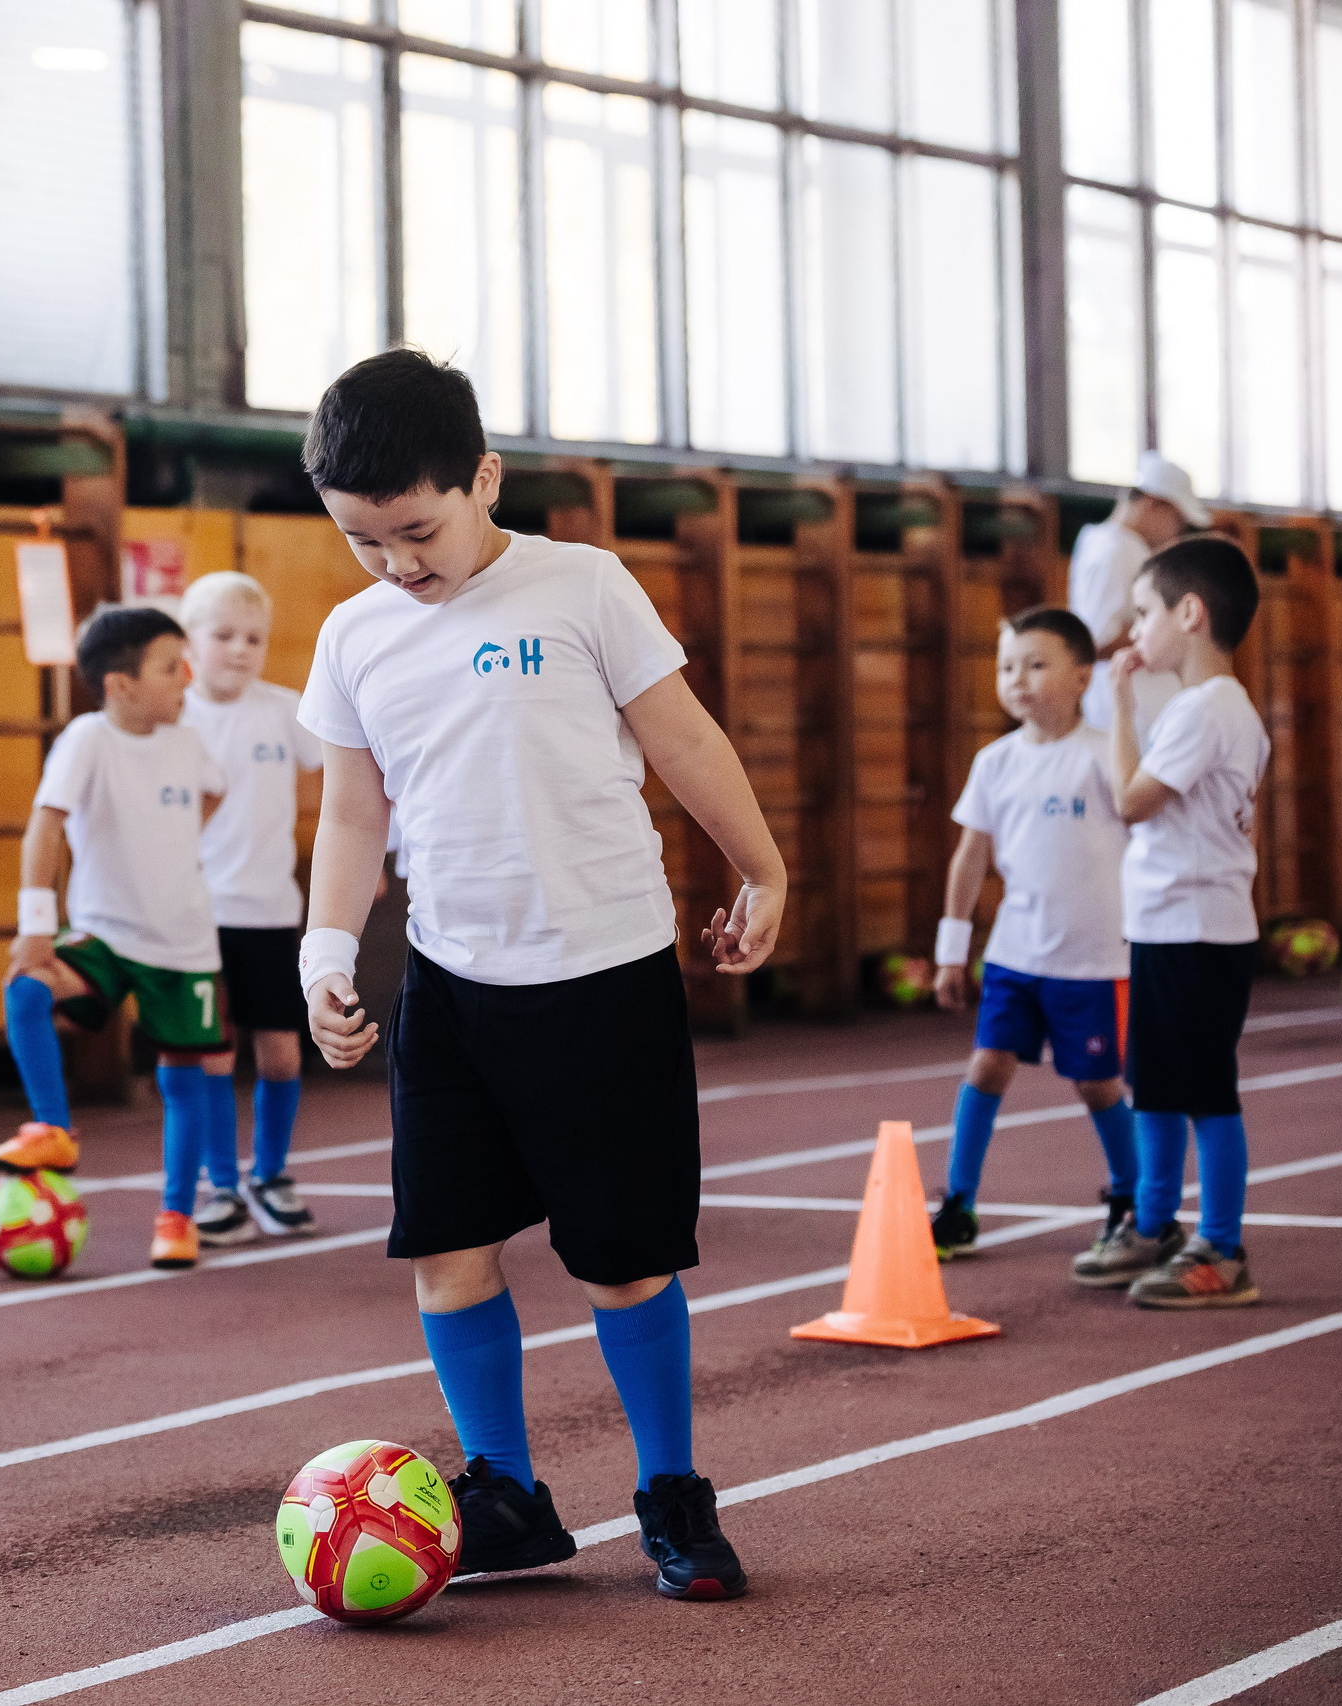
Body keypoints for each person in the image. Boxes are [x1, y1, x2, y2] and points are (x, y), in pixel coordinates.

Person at [294, 349, 786, 1602]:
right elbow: (354, 811)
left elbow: (682, 734)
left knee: (620, 1256)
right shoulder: (354, 634)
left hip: (600, 972)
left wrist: (762, 871)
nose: (397, 564)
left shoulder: (584, 586)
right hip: (450, 985)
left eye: (415, 530)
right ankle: (503, 1491)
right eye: (362, 541)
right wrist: (326, 948)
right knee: (448, 1249)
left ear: (483, 479)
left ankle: (671, 1491)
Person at [0, 605, 230, 1272]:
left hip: (184, 948)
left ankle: (177, 1216)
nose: (187, 679)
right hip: (104, 933)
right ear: (120, 685)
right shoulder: (88, 739)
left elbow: (214, 792)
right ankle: (54, 1128)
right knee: (26, 987)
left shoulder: (188, 743)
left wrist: (171, 849)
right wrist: (37, 925)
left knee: (181, 1083)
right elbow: (45, 824)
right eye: (168, 668)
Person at [1082, 537, 1268, 1308]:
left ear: (1189, 614)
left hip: (1197, 930)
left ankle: (1221, 1249)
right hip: (1171, 924)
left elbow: (1129, 801)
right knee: (1155, 1085)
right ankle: (1154, 1223)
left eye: (1144, 613)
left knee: (1205, 1093)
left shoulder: (1208, 708)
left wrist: (1120, 703)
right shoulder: (1211, 709)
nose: (1133, 633)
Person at [926, 609, 1138, 1272]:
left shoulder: (1107, 755)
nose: (1019, 678)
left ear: (1083, 676)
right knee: (987, 1065)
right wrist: (952, 950)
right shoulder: (995, 762)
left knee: (1098, 1083)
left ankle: (1133, 1201)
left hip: (1095, 960)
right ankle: (959, 1202)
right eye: (1008, 665)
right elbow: (969, 857)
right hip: (1016, 955)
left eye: (1037, 664)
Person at [178, 571, 326, 1244]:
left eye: (254, 639)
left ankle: (271, 1174)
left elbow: (350, 770)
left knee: (281, 1056)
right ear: (189, 641)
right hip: (196, 915)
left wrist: (355, 861)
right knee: (210, 1052)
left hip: (269, 912)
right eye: (224, 636)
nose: (240, 650)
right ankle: (220, 1184)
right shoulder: (174, 718)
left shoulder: (285, 710)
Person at [1065, 451, 1208, 738]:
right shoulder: (1121, 551)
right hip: (1136, 704)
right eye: (1177, 520)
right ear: (1153, 504)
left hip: (1122, 701)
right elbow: (1101, 640)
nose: (1176, 533)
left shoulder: (1095, 541)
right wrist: (1170, 626)